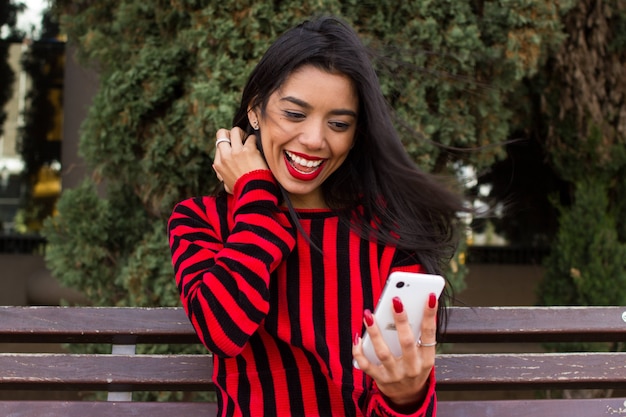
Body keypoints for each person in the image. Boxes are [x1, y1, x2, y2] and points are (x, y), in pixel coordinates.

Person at [168, 15, 464, 417]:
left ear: (357, 133)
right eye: (294, 114)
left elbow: (401, 399)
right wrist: (257, 196)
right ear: (255, 110)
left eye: (338, 123)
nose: (314, 140)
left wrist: (405, 396)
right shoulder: (202, 221)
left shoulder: (387, 233)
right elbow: (222, 330)